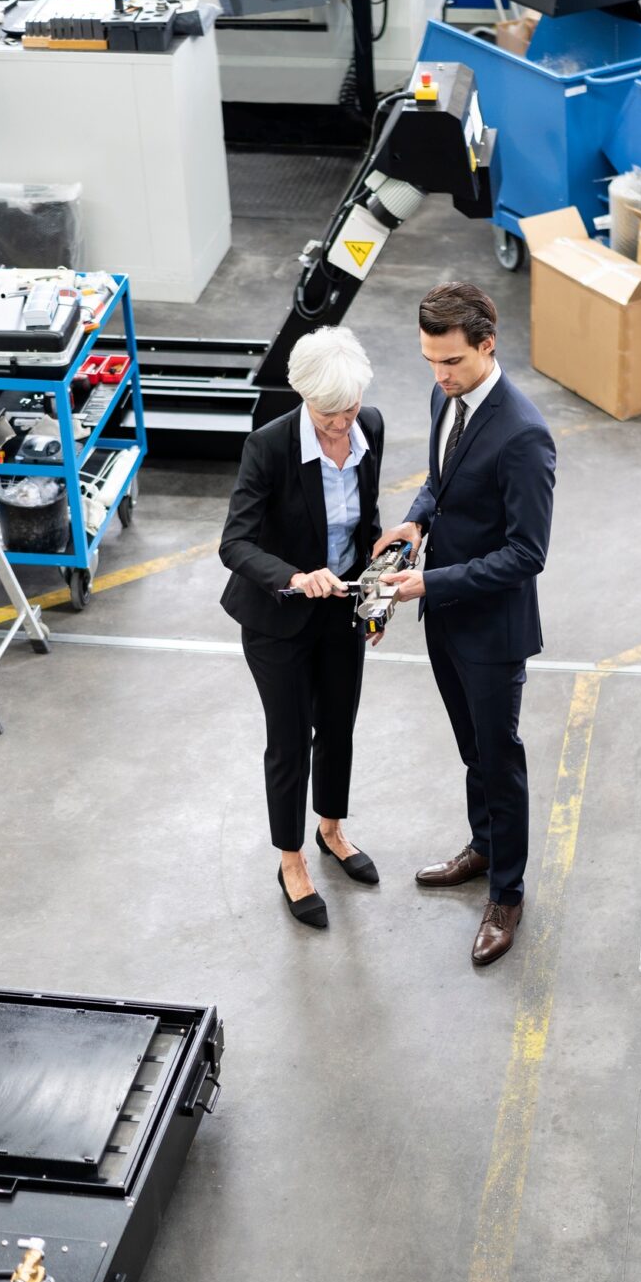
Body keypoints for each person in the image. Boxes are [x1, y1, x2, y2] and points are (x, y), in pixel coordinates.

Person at [374, 282, 555, 966]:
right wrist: (416, 518)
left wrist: (430, 581)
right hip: (444, 617)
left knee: (498, 756)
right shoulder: (443, 396)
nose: (439, 374)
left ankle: (506, 893)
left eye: (451, 361)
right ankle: (484, 847)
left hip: (491, 629)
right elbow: (442, 481)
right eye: (429, 361)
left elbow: (526, 553)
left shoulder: (524, 434)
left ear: (488, 343)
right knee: (471, 749)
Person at [219, 326, 384, 930]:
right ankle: (291, 860)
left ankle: (332, 830)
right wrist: (294, 575)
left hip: (342, 608)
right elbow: (234, 543)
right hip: (279, 620)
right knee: (290, 740)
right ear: (303, 397)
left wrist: (376, 593)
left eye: (350, 410)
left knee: (338, 724)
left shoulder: (371, 427)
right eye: (328, 415)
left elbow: (364, 523)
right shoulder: (268, 448)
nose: (342, 425)